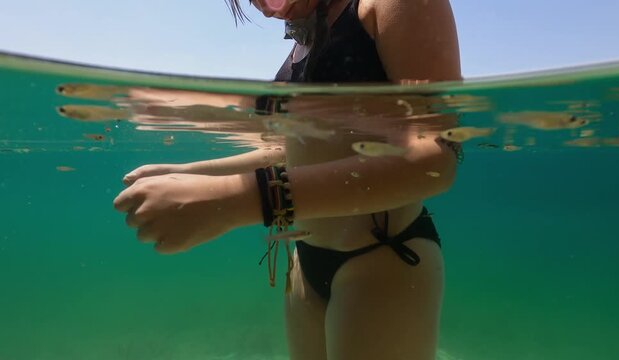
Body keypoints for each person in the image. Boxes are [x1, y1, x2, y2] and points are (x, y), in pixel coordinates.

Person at [113, 0, 461, 359]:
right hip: (305, 264)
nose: (266, 10)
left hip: (382, 259)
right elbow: (289, 151)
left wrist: (234, 202)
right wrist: (190, 174)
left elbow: (432, 161)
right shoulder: (308, 36)